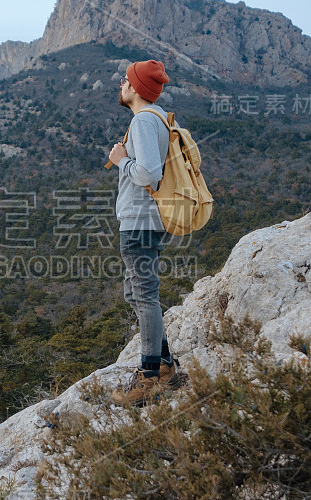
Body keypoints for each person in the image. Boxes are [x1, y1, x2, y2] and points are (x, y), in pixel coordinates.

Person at [108, 60, 181, 406]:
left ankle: (150, 375)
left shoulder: (143, 121)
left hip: (140, 222)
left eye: (126, 80)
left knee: (145, 295)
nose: (121, 85)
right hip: (142, 221)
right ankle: (164, 364)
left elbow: (149, 173)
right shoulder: (157, 119)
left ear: (136, 89)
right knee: (134, 294)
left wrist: (121, 159)